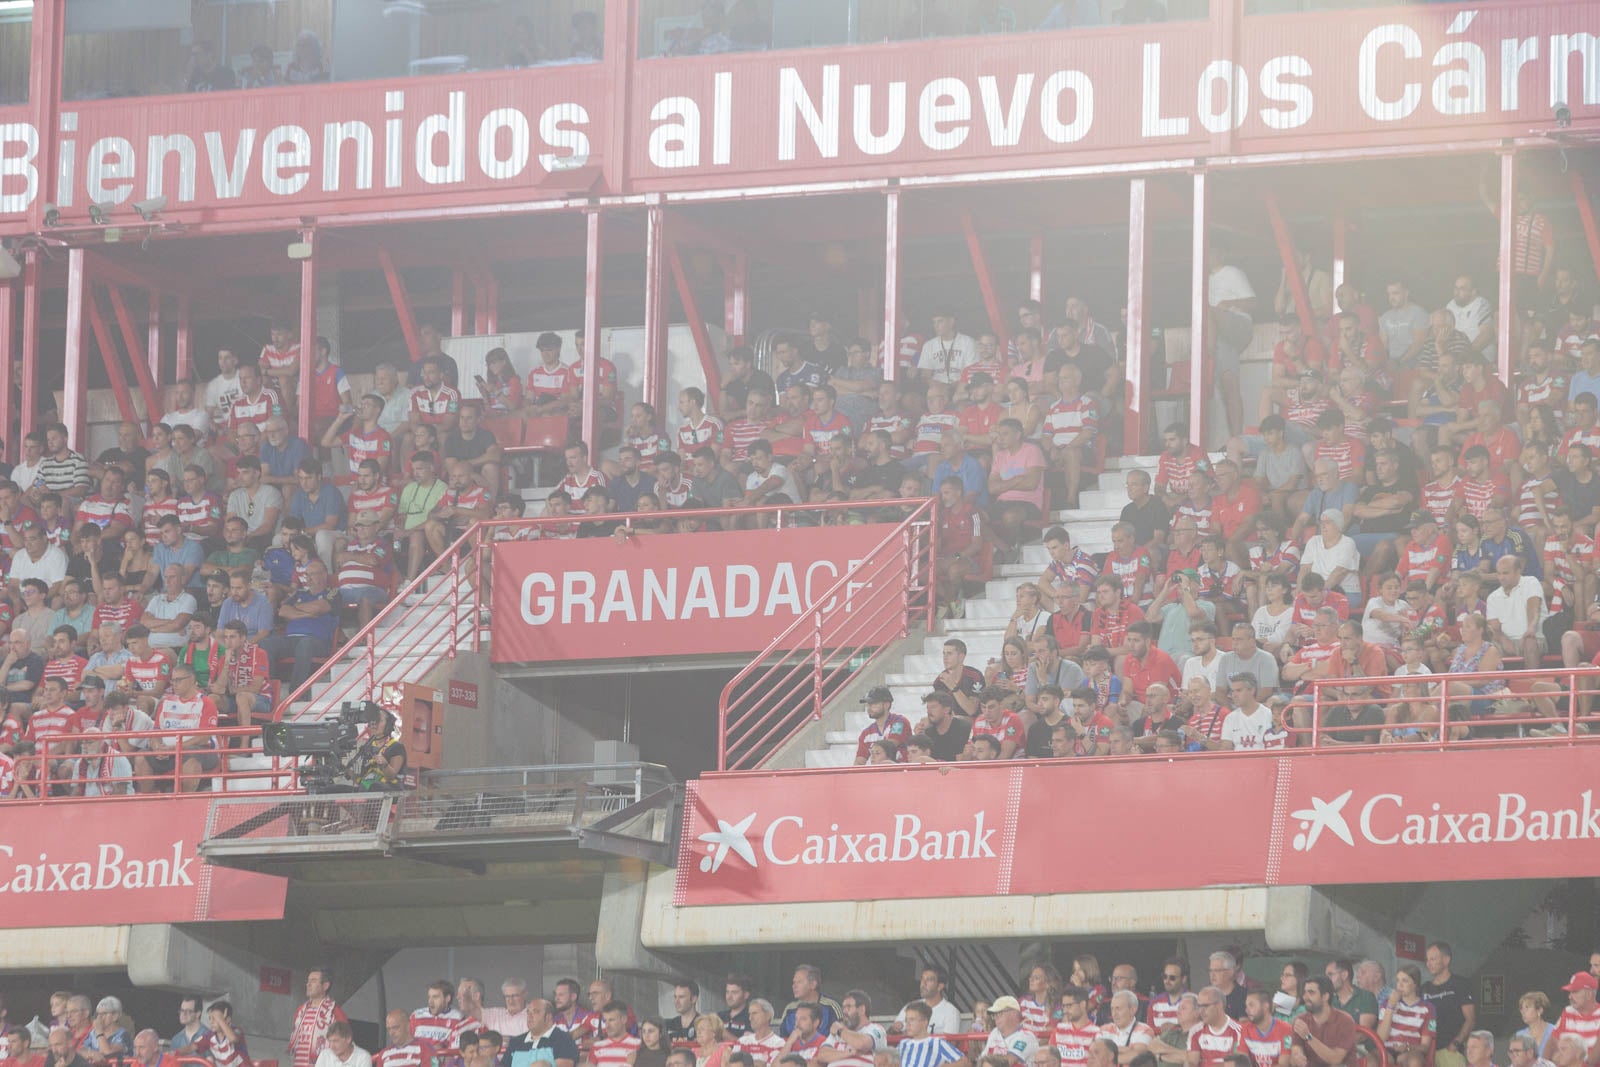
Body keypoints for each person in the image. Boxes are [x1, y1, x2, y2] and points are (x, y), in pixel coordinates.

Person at [1289, 978, 1354, 1067]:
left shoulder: (1345, 1021)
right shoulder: (1300, 1020)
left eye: (1311, 992)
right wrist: (1297, 1057)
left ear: (1325, 996)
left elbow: (1335, 1060)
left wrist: (1308, 1037)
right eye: (1304, 992)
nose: (1305, 997)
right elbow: (1295, 1050)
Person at [290, 968, 348, 1067]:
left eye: (313, 981)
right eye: (308, 981)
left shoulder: (334, 1012)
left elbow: (345, 1043)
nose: (308, 984)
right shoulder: (300, 1011)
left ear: (325, 986)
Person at [1376, 965, 1434, 1059]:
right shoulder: (1387, 1002)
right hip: (1386, 1050)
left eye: (1405, 981)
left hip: (1410, 1051)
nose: (1399, 985)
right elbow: (1381, 1038)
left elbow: (1425, 1047)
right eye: (1398, 980)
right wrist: (1390, 1006)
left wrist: (1407, 1047)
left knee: (1414, 1061)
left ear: (1415, 984)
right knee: (1370, 1060)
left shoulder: (1428, 1008)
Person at [504, 1000, 579, 1067]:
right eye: (528, 1012)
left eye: (535, 1012)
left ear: (548, 1017)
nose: (529, 1016)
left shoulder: (563, 1040)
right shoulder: (516, 1042)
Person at [1187, 988, 1244, 1067]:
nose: (1201, 1011)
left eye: (1205, 1006)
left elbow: (1234, 1064)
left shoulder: (1238, 1031)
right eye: (1199, 1006)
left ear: (1219, 1005)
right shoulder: (1195, 1031)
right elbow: (1192, 1063)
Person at [1550, 972, 1600, 1055]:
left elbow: (1594, 1059)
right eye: (1570, 992)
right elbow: (1552, 1043)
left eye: (1575, 992)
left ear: (1589, 994)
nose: (1570, 996)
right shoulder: (1567, 1011)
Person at [984, 998, 1039, 1066]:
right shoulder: (995, 1032)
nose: (996, 1018)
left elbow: (1007, 1062)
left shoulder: (1026, 1036)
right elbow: (982, 1059)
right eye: (994, 1015)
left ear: (1014, 1013)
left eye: (999, 1013)